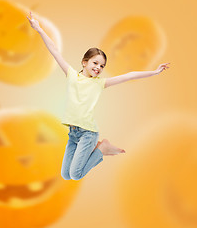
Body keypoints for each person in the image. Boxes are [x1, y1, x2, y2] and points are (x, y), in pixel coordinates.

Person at [26, 11, 170, 180]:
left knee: (76, 174)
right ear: (84, 62)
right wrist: (39, 29)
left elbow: (128, 76)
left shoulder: (100, 83)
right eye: (95, 63)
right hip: (73, 134)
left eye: (102, 66)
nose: (98, 68)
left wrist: (154, 72)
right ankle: (101, 149)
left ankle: (102, 149)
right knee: (66, 175)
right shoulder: (72, 75)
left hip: (88, 133)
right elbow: (55, 51)